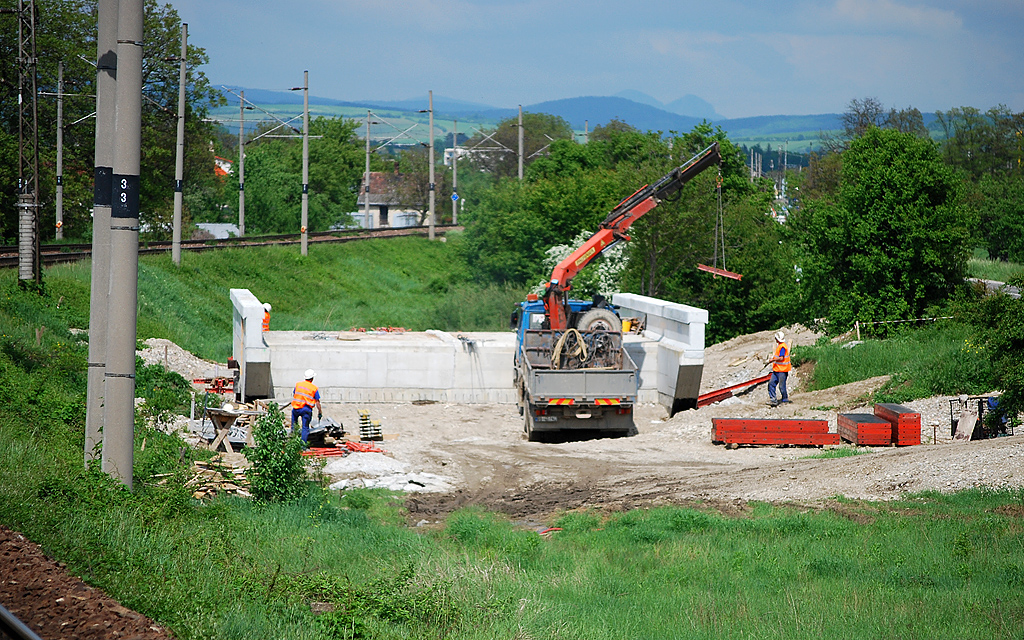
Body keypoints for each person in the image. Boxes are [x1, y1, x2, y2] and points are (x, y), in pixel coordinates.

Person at [291, 369, 322, 443]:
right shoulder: (314, 388)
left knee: (293, 426)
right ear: (312, 378)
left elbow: (295, 393)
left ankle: (292, 444)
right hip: (306, 409)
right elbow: (317, 402)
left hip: (296, 408)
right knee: (305, 428)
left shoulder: (298, 385)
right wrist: (320, 412)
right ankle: (303, 446)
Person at [767, 330, 791, 407]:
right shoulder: (780, 346)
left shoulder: (782, 347)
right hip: (777, 370)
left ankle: (785, 399)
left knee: (781, 386)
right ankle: (773, 400)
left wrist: (772, 360)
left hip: (782, 370)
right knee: (771, 384)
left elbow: (781, 358)